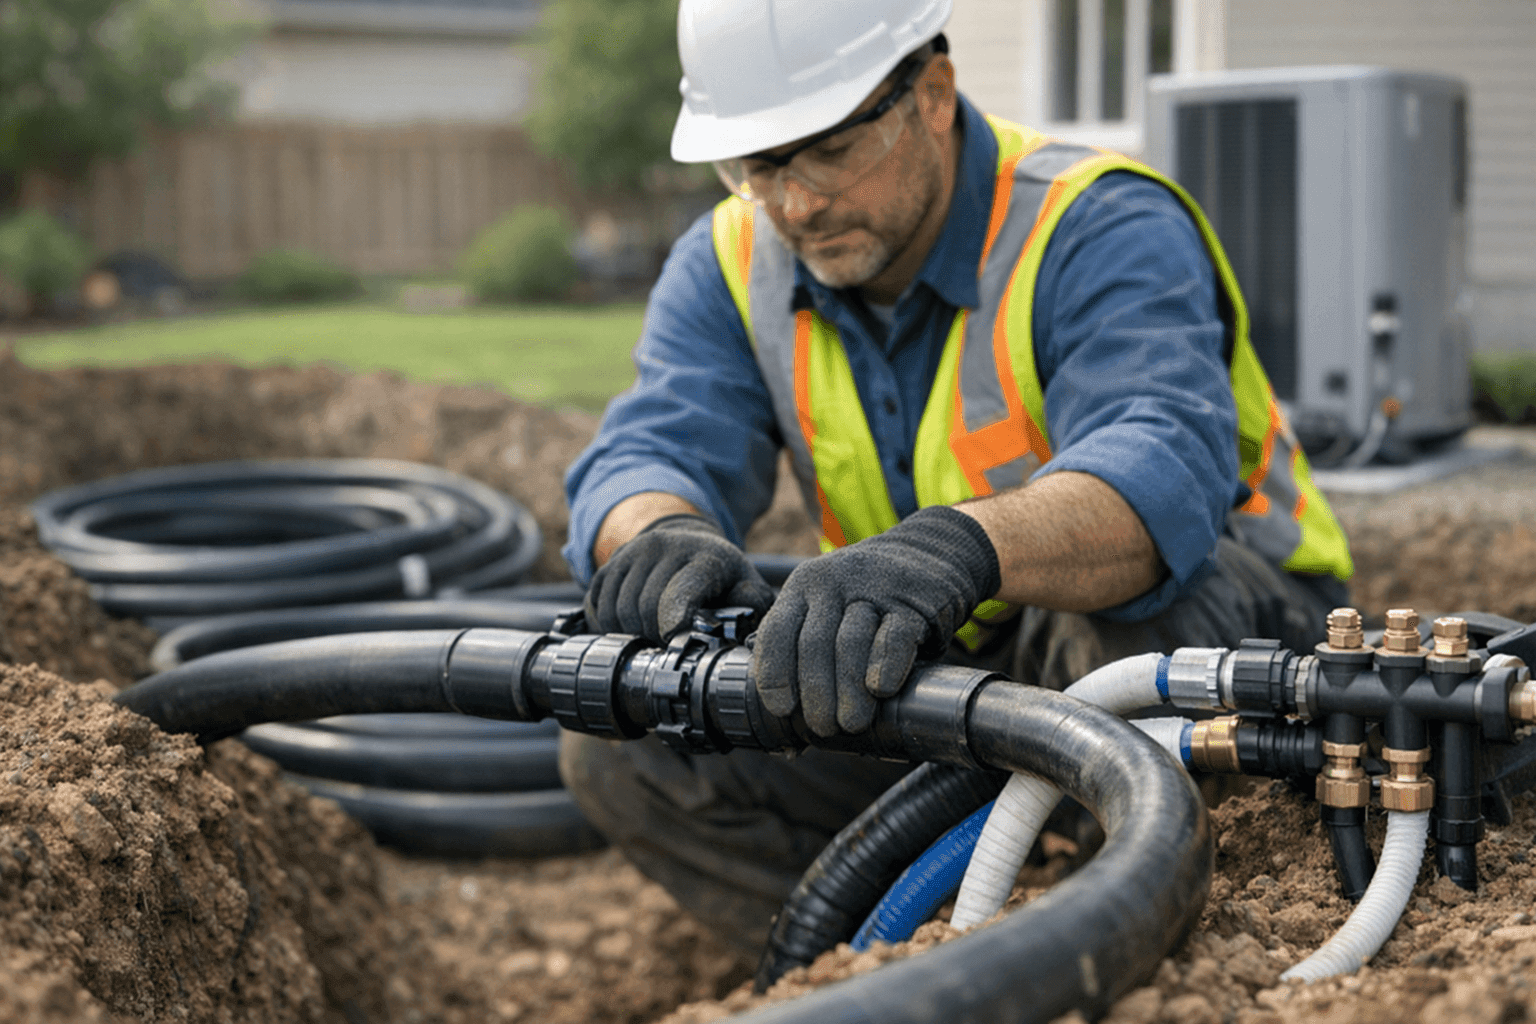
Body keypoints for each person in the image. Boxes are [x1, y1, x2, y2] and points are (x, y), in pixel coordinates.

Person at [559, 0, 1354, 954]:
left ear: (932, 94)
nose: (794, 203)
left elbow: (1159, 474)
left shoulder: (1096, 220)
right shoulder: (731, 258)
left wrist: (957, 548)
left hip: (1242, 632)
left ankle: (1167, 943)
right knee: (641, 737)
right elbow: (651, 446)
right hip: (956, 654)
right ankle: (889, 966)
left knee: (1123, 644)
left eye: (827, 150)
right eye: (757, 165)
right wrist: (653, 533)